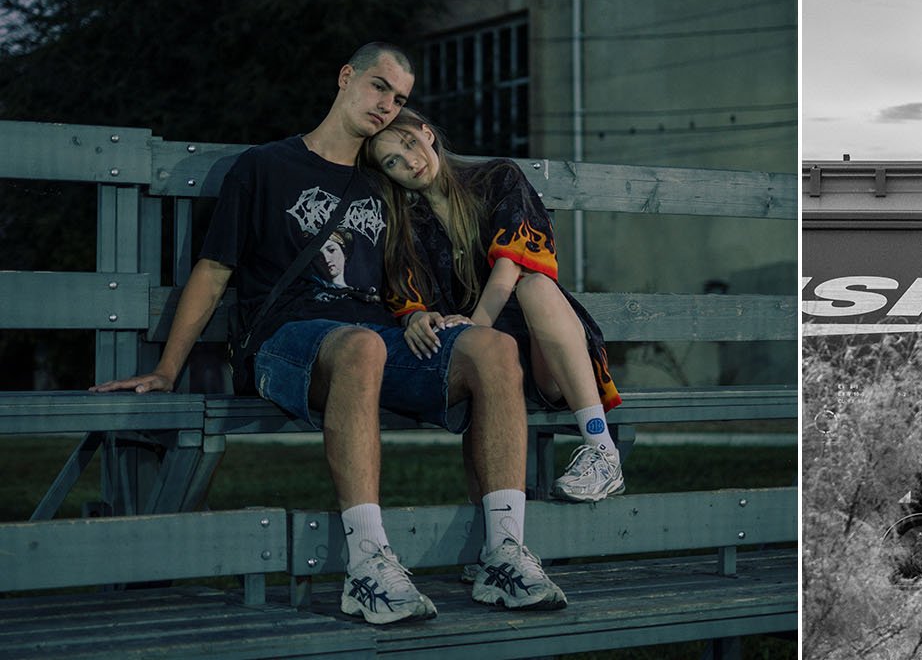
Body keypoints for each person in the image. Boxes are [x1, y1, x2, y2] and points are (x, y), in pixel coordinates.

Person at [91, 43, 566, 624]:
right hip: (285, 341)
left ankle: (503, 556)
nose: (388, 105)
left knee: (494, 349)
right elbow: (214, 271)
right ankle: (367, 566)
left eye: (400, 99)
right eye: (378, 87)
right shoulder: (265, 167)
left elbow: (409, 274)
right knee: (361, 346)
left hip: (376, 340)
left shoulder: (386, 182)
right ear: (346, 77)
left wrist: (417, 312)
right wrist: (168, 368)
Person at [362, 108, 624, 509]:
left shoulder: (497, 177)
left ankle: (602, 451)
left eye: (410, 143)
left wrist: (477, 323)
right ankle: (495, 549)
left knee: (535, 286)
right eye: (392, 161)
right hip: (485, 365)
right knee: (484, 363)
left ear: (427, 134)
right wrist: (415, 316)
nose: (409, 162)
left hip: (547, 355)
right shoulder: (407, 221)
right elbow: (402, 286)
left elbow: (510, 266)